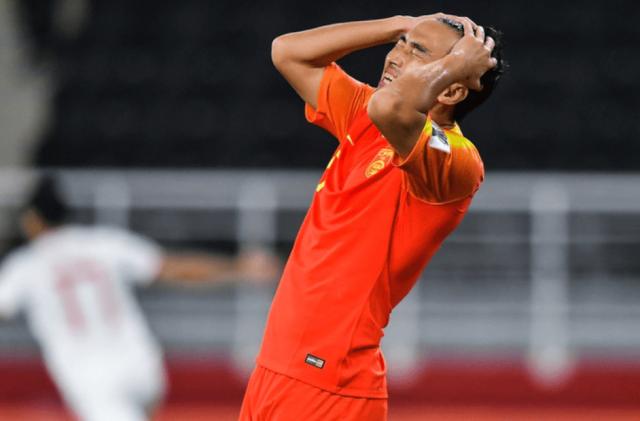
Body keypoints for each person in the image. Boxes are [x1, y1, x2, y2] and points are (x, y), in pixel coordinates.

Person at [239, 12, 505, 420]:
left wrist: (455, 65)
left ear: (452, 89)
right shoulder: (365, 117)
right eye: (400, 44)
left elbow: (391, 107)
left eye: (417, 51)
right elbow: (287, 51)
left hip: (331, 385)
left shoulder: (457, 161)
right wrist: (399, 24)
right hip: (278, 367)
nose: (395, 56)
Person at [0, 177, 277, 421]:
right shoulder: (104, 243)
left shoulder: (26, 265)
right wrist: (239, 267)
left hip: (91, 378)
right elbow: (175, 268)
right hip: (142, 364)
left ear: (32, 219)